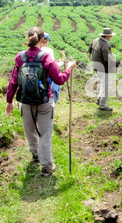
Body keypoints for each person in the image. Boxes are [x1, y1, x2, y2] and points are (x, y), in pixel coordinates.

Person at [6, 26, 76, 176]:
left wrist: (9, 101)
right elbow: (59, 79)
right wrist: (69, 68)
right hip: (45, 100)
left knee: (29, 130)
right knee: (45, 133)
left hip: (26, 101)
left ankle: (35, 153)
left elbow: (13, 81)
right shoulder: (45, 57)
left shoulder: (20, 57)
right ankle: (47, 166)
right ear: (43, 41)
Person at [89, 27, 122, 112]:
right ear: (107, 36)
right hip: (104, 68)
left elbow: (90, 50)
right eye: (111, 35)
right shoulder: (105, 45)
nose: (111, 37)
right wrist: (120, 64)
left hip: (96, 66)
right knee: (106, 86)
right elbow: (108, 59)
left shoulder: (95, 40)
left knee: (103, 85)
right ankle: (103, 105)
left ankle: (100, 100)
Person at [42, 32, 64, 104]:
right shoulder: (49, 51)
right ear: (47, 41)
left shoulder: (35, 49)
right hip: (47, 76)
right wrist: (61, 63)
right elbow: (52, 66)